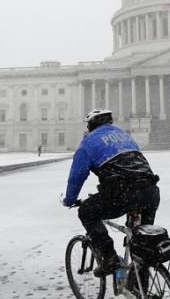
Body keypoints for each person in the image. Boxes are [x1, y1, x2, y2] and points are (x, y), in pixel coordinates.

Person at [62, 109, 160, 277]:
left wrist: (70, 199)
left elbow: (77, 176)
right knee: (142, 246)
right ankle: (141, 290)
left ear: (90, 125)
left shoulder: (89, 142)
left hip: (122, 194)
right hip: (150, 192)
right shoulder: (125, 136)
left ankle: (110, 258)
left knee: (87, 211)